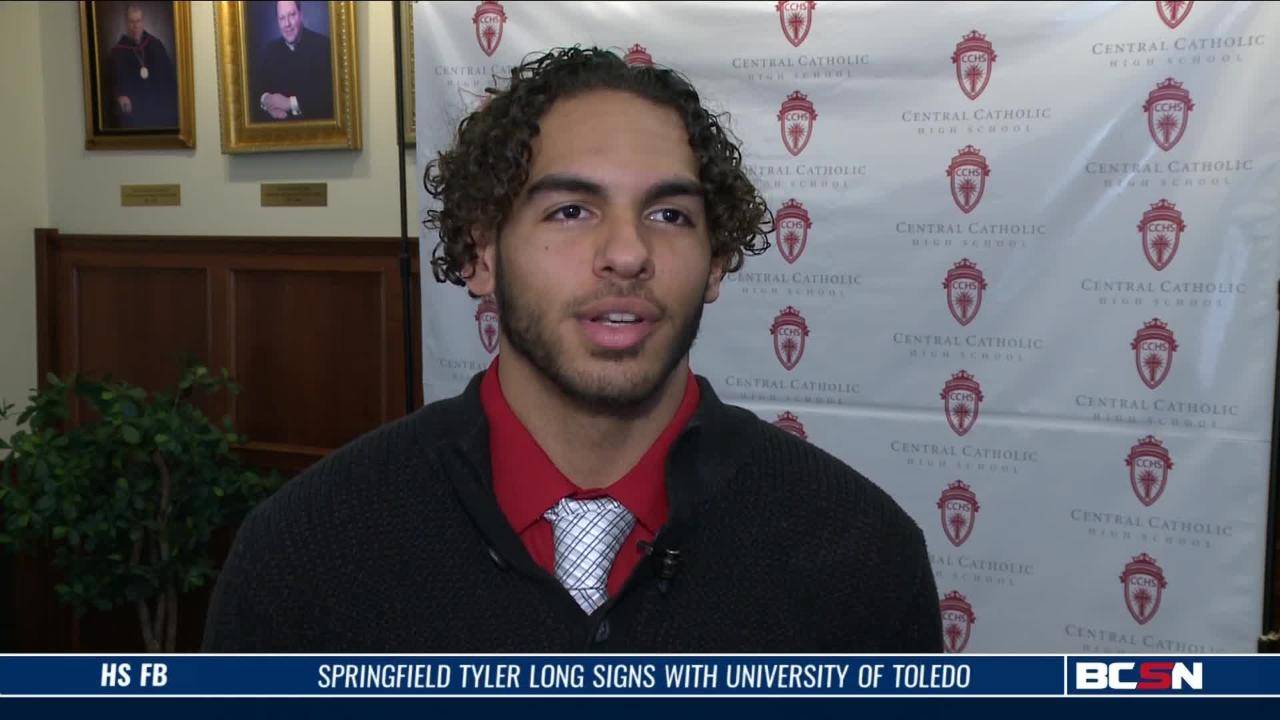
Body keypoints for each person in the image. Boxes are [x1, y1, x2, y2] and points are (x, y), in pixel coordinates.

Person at [203, 47, 942, 652]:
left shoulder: (858, 552)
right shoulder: (311, 550)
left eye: (669, 213)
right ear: (479, 253)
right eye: (570, 210)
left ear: (716, 263)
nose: (627, 252)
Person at [250, 0, 333, 121]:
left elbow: (328, 98)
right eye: (282, 18)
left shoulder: (324, 46)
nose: (287, 24)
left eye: (292, 15)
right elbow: (255, 90)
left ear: (301, 15)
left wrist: (289, 103)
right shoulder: (269, 50)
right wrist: (267, 101)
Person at [106, 3, 177, 128]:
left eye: (138, 21)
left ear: (142, 21)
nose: (135, 26)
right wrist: (119, 96)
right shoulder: (117, 52)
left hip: (157, 107)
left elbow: (169, 77)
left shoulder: (156, 45)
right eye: (131, 22)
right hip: (133, 111)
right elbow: (112, 81)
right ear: (126, 24)